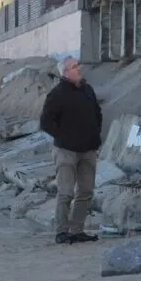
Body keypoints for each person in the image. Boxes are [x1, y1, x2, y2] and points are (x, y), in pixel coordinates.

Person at [40, 56, 103, 245]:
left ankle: (77, 230)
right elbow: (45, 122)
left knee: (85, 191)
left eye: (78, 66)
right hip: (66, 151)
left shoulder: (87, 90)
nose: (79, 69)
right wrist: (63, 137)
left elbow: (97, 114)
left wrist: (95, 134)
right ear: (65, 73)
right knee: (66, 192)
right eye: (75, 67)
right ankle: (61, 232)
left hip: (89, 149)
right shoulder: (57, 94)